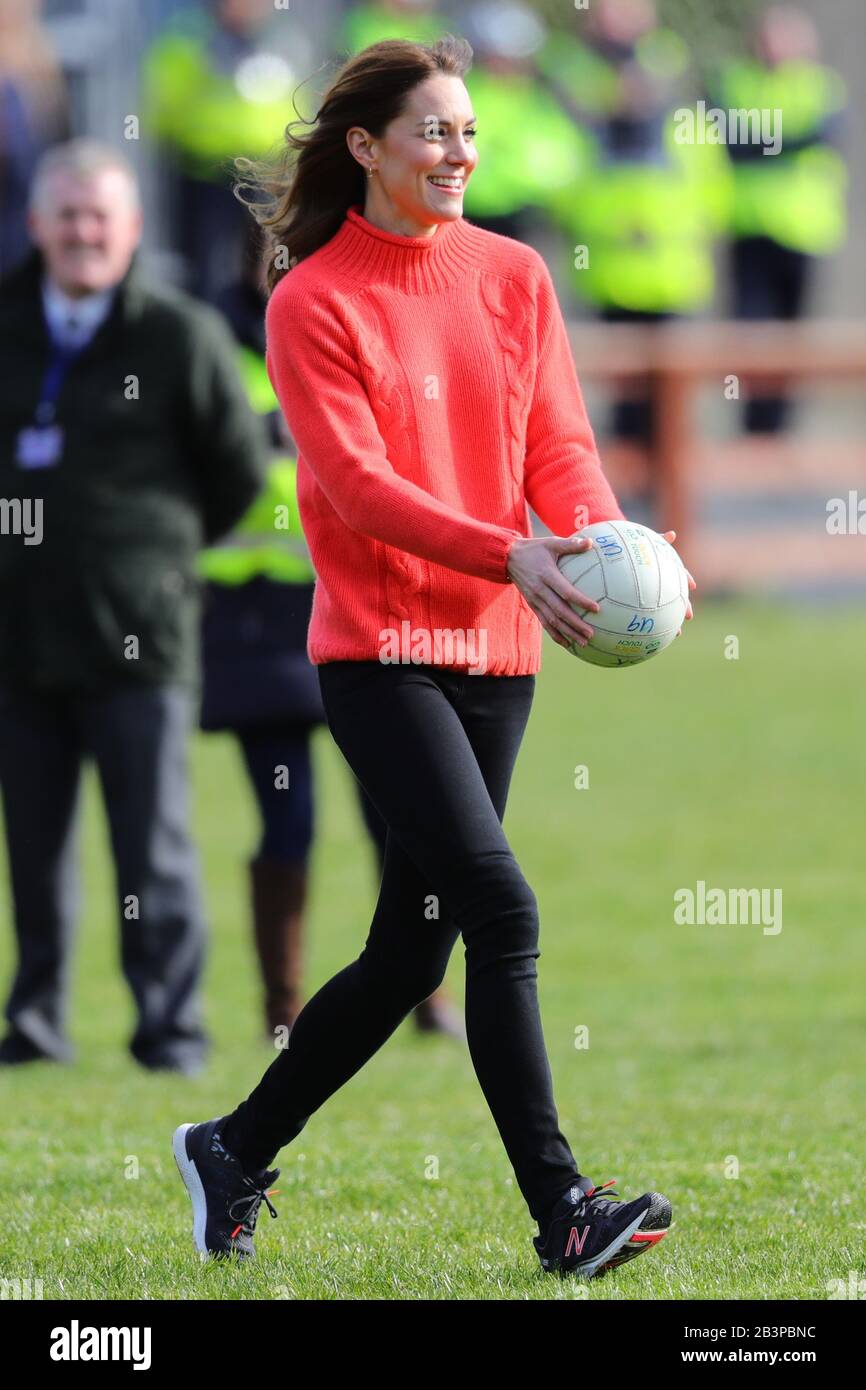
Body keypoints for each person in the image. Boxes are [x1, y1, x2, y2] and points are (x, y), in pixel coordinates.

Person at [172, 35, 694, 1279]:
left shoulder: (513, 276)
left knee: (412, 946)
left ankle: (233, 1146)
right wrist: (504, 551)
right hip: (379, 653)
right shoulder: (310, 299)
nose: (459, 151)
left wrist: (598, 544)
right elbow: (351, 487)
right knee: (498, 905)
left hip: (499, 648)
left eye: (466, 132)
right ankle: (564, 1207)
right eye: (433, 131)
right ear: (365, 147)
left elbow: (557, 445)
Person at [0, 139, 267, 1073]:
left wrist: (153, 557)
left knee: (151, 848)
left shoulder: (178, 336)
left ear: (132, 230)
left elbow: (236, 473)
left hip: (140, 637)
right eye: (66, 215)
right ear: (37, 224)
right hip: (17, 634)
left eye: (99, 217)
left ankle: (170, 1029)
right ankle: (34, 1023)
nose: (82, 233)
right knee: (31, 848)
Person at [198, 240, 465, 1040]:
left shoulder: (366, 333)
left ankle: (425, 995)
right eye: (275, 256)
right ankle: (283, 1009)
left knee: (402, 817)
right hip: (258, 628)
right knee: (290, 821)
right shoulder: (213, 349)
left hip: (362, 607)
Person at [707, 5, 847, 433]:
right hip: (748, 230)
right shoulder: (735, 84)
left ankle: (781, 431)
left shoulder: (822, 88)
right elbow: (732, 143)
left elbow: (823, 136)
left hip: (803, 233)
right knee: (751, 335)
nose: (777, 48)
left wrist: (765, 140)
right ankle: (754, 429)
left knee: (792, 339)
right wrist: (786, 142)